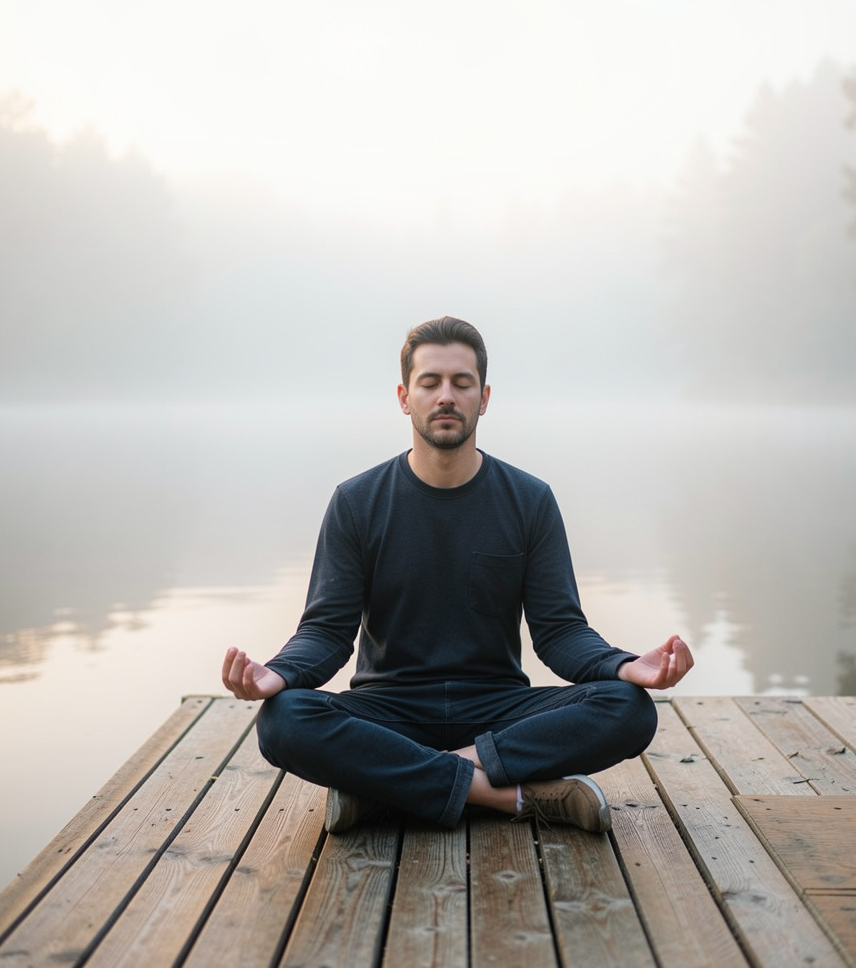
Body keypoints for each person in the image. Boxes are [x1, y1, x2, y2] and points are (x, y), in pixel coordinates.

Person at [222, 315, 693, 833]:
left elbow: (560, 632)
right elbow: (327, 633)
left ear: (483, 397)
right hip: (389, 711)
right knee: (283, 720)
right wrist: (280, 672)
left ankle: (388, 788)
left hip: (498, 710)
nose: (445, 396)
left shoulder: (529, 500)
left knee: (629, 708)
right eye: (430, 383)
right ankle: (508, 795)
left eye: (461, 383)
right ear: (405, 397)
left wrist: (625, 666)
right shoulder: (356, 502)